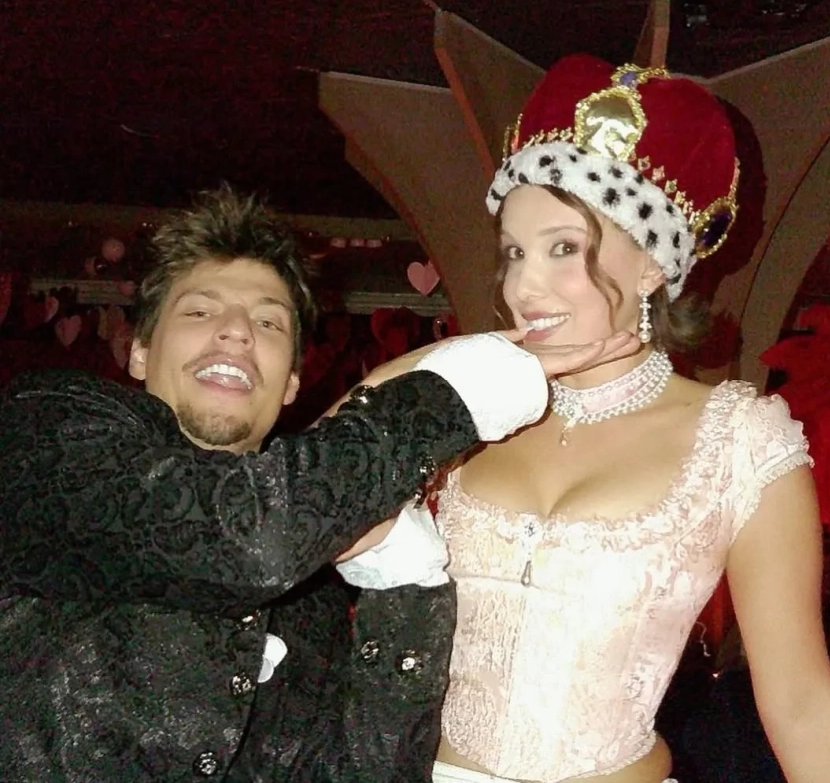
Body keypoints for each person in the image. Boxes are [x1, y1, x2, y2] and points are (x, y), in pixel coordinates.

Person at [0, 186, 637, 782]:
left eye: (269, 323)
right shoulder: (48, 428)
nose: (236, 330)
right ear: (139, 350)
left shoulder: (310, 589)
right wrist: (450, 396)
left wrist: (402, 581)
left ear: (292, 383)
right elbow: (243, 538)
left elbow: (369, 771)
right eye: (199, 310)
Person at [430, 55, 830, 783]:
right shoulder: (470, 411)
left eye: (565, 248)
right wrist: (426, 372)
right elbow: (305, 508)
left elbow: (801, 703)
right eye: (514, 252)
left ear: (652, 264)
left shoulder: (741, 440)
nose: (524, 284)